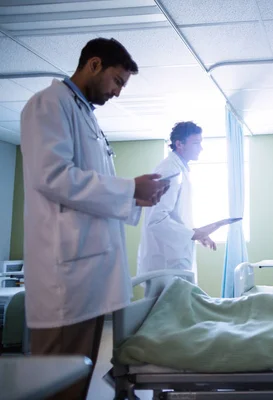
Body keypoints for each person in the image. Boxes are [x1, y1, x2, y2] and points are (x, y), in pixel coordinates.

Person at [20, 37, 169, 400]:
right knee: (57, 385)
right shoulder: (49, 104)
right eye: (117, 81)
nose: (118, 92)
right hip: (64, 283)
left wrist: (135, 197)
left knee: (77, 382)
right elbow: (52, 177)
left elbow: (93, 192)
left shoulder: (84, 114)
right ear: (94, 65)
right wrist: (127, 188)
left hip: (86, 279)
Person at [137, 121, 217, 285]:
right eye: (196, 143)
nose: (200, 148)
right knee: (170, 306)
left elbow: (177, 215)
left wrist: (196, 233)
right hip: (166, 259)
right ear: (179, 144)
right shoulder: (169, 171)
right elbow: (157, 219)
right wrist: (192, 234)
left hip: (175, 254)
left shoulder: (179, 169)